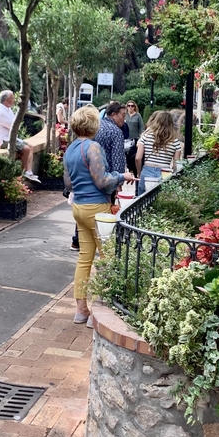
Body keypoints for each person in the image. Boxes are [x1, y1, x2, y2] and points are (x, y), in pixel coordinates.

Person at [63, 105, 134, 323]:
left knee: (84, 259)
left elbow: (68, 183)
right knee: (106, 259)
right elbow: (102, 181)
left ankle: (80, 310)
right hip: (97, 208)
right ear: (93, 124)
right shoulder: (92, 147)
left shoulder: (70, 149)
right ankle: (99, 312)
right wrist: (122, 176)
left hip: (79, 208)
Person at [0, 90, 41, 184]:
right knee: (26, 149)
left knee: (31, 146)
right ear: (7, 100)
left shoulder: (7, 109)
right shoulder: (0, 112)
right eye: (12, 98)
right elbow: (14, 125)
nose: (14, 100)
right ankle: (23, 173)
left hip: (11, 138)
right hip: (3, 141)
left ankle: (29, 172)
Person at [135, 110, 183, 194]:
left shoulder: (146, 137)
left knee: (142, 203)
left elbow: (138, 158)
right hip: (165, 173)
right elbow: (176, 165)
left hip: (147, 171)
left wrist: (139, 173)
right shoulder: (175, 142)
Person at [95, 100, 127, 174]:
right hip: (108, 177)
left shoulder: (95, 127)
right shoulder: (116, 132)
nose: (124, 119)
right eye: (123, 115)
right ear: (113, 115)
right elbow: (118, 160)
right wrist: (119, 180)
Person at [124, 100, 144, 175]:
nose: (130, 107)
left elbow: (141, 127)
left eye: (132, 106)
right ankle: (128, 168)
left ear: (134, 107)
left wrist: (141, 137)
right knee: (126, 154)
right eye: (129, 106)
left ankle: (133, 169)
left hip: (135, 138)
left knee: (133, 155)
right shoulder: (125, 115)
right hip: (126, 138)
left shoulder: (138, 116)